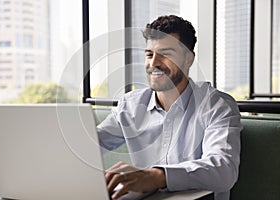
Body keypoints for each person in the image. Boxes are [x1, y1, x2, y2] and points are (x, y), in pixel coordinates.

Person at [96, 15, 242, 200]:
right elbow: (91, 144)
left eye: (165, 54)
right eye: (149, 54)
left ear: (188, 59)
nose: (154, 63)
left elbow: (223, 170)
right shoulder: (130, 105)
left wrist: (156, 176)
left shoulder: (216, 105)